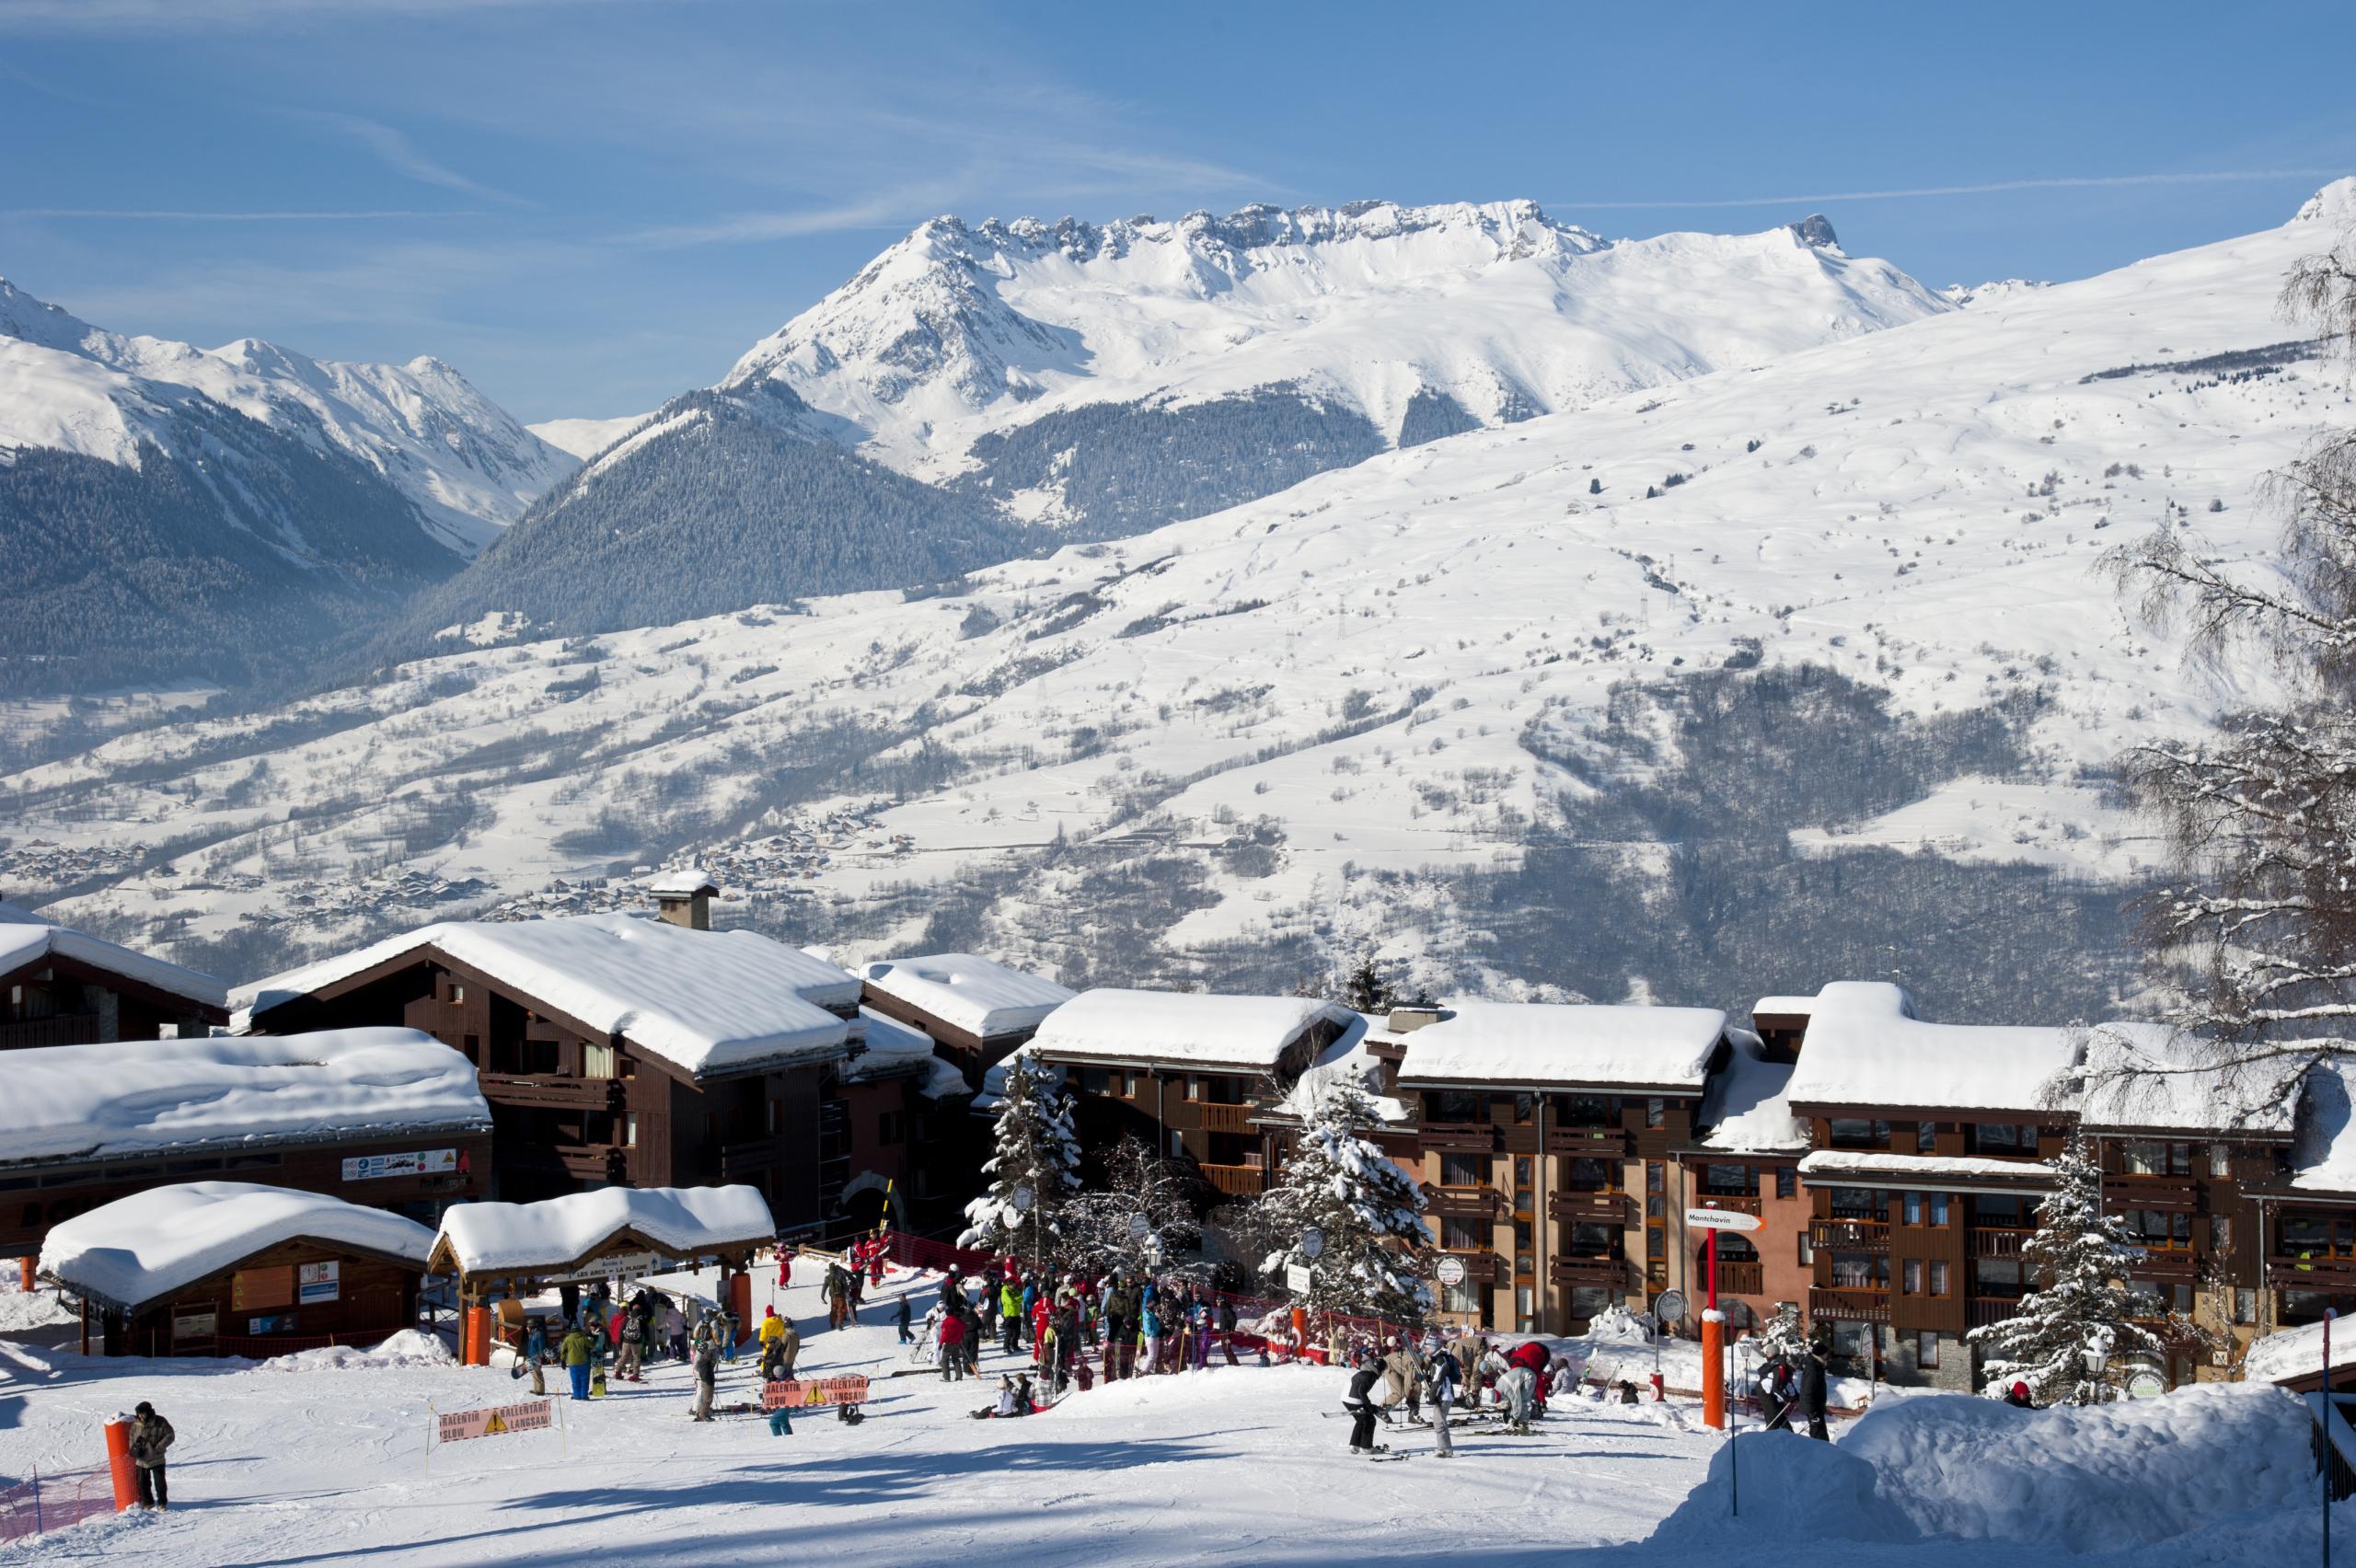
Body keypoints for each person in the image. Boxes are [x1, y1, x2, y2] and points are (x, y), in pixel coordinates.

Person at [128, 1401, 174, 1510]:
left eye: (142, 1413)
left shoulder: (160, 1421)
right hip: (141, 1459)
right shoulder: (136, 1423)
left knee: (160, 1484)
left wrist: (158, 1448)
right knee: (143, 1484)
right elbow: (131, 1436)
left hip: (157, 1458)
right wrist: (133, 1449)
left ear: (148, 1412)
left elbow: (170, 1435)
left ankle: (162, 1504)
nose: (140, 1416)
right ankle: (148, 1503)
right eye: (138, 1414)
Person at [1343, 1355, 1387, 1455]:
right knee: (1370, 1420)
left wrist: (1370, 1407)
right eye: (1383, 1370)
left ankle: (1355, 1446)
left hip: (1347, 1398)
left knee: (1361, 1421)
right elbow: (1361, 1392)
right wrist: (1370, 1408)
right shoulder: (1370, 1375)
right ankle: (1366, 1448)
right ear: (1379, 1369)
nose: (1382, 1373)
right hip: (1353, 1399)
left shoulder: (1367, 1372)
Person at [1426, 1343, 1461, 1458]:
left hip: (1444, 1396)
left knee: (1439, 1422)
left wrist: (1431, 1397)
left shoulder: (1441, 1361)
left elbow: (1437, 1380)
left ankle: (1445, 1449)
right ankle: (1444, 1448)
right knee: (1440, 1422)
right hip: (1442, 1396)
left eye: (1427, 1347)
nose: (1425, 1350)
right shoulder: (1435, 1360)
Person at [1800, 1341, 1831, 1440]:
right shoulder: (1813, 1368)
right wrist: (1812, 1413)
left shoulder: (1817, 1365)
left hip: (1816, 1407)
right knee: (1819, 1436)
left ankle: (1821, 1452)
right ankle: (1820, 1454)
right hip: (1814, 1409)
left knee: (1820, 1433)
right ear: (1821, 1354)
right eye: (1826, 1353)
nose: (1827, 1355)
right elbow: (1808, 1390)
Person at [560, 1322, 595, 1401]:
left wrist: (563, 1360)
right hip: (584, 1361)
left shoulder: (567, 1339)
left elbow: (563, 1351)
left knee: (575, 1379)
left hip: (573, 1362)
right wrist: (592, 1337)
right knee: (584, 1379)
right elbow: (592, 1345)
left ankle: (576, 1396)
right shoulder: (584, 1338)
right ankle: (584, 1396)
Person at [690, 1331, 720, 1422]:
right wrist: (707, 1377)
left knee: (703, 1393)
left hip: (704, 1375)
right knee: (704, 1395)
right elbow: (702, 1367)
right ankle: (700, 1412)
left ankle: (700, 1412)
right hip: (704, 1376)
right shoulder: (703, 1357)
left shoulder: (702, 1355)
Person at [939, 1305, 968, 1382]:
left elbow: (944, 1334)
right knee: (956, 1359)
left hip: (948, 1344)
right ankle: (959, 1376)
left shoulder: (946, 1322)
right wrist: (960, 1337)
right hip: (957, 1343)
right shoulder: (958, 1321)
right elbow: (964, 1327)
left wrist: (941, 1344)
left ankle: (946, 1377)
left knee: (944, 1360)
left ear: (947, 1314)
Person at [524, 1318, 549, 1397]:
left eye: (528, 1327)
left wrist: (541, 1356)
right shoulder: (532, 1334)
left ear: (532, 1326)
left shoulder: (538, 1334)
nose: (527, 1328)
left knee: (538, 1373)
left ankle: (540, 1390)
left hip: (537, 1357)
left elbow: (541, 1346)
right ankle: (536, 1389)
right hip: (532, 1356)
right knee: (534, 1373)